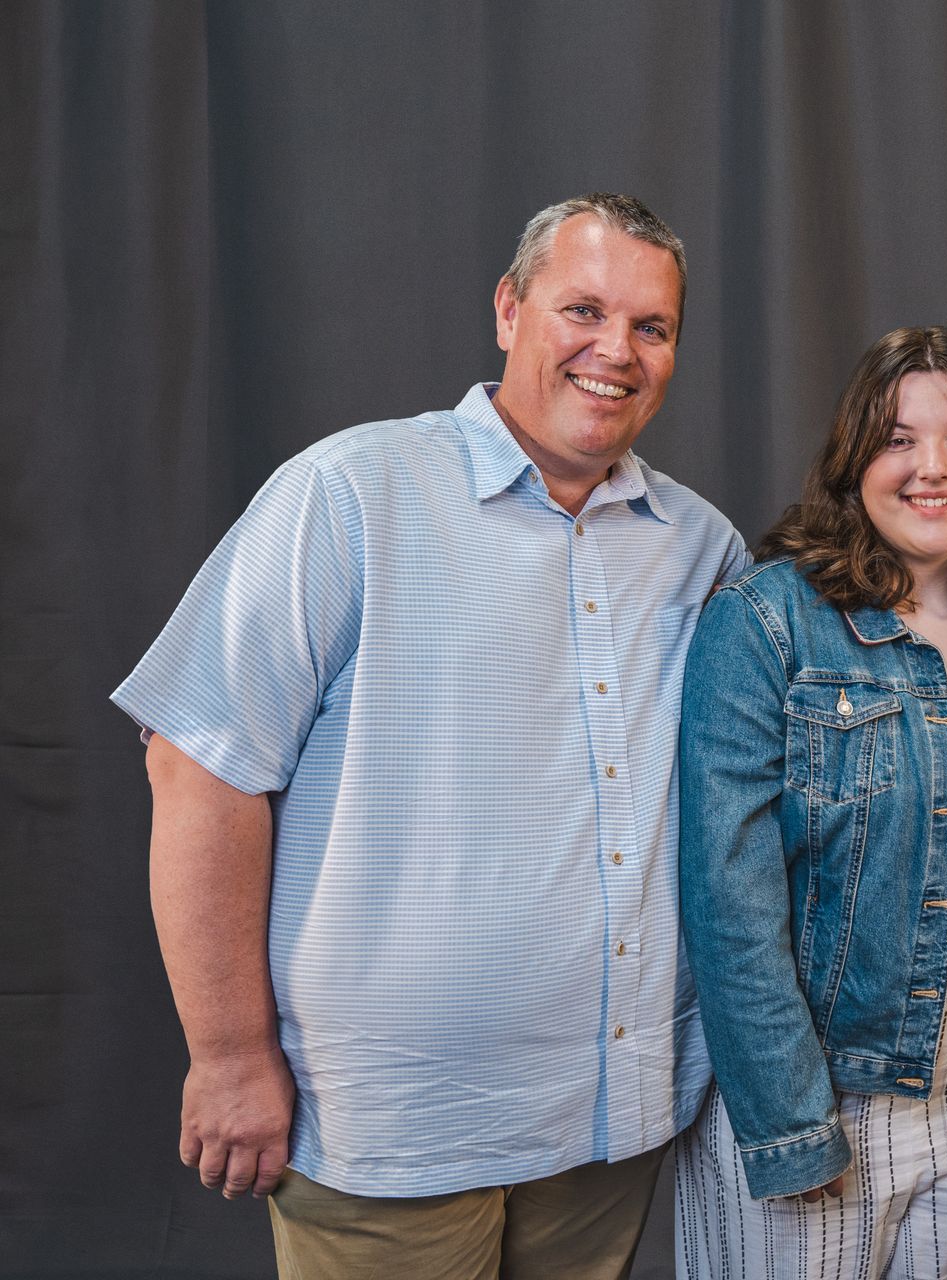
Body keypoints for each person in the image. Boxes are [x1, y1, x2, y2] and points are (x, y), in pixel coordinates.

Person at [111, 194, 747, 1278]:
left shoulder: (701, 547)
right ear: (510, 310)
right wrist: (227, 1053)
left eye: (653, 327)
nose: (617, 351)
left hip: (614, 1120)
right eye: (583, 309)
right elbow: (198, 766)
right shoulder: (350, 495)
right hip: (392, 1130)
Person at [675, 327, 947, 1279]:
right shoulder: (764, 622)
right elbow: (728, 896)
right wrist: (789, 1126)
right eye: (898, 439)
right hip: (821, 1105)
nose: (932, 467)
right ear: (854, 464)